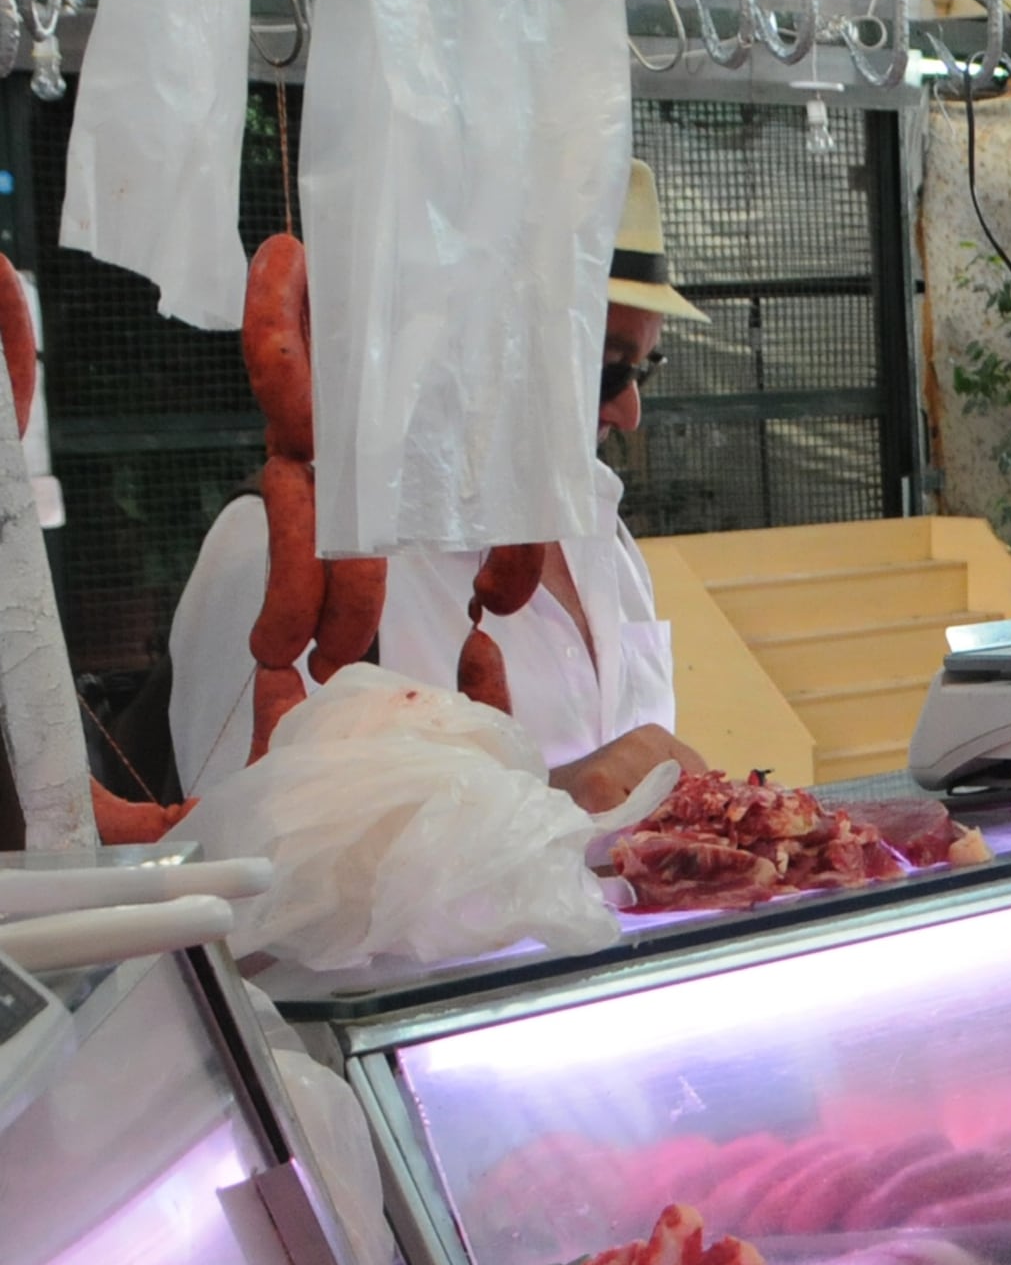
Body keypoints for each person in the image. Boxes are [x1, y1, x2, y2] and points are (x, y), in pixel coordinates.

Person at [167, 159, 707, 811]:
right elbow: (244, 860)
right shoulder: (282, 544)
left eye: (642, 370)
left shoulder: (602, 529)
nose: (629, 414)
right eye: (605, 372)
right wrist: (546, 808)